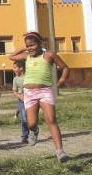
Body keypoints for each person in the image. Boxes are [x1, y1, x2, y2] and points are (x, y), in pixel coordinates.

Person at [9, 31, 69, 162]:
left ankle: (60, 151)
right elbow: (11, 57)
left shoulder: (49, 55)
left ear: (39, 43)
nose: (30, 48)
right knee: (31, 123)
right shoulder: (26, 56)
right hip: (29, 93)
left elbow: (64, 67)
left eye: (32, 45)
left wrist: (62, 80)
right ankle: (34, 130)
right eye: (27, 45)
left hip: (45, 91)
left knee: (51, 119)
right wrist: (25, 48)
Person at [12, 60, 30, 144]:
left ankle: (34, 130)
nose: (14, 69)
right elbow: (14, 91)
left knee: (32, 118)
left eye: (15, 68)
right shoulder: (15, 79)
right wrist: (20, 96)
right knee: (24, 119)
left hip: (30, 100)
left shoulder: (28, 77)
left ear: (21, 68)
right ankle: (25, 136)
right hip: (21, 101)